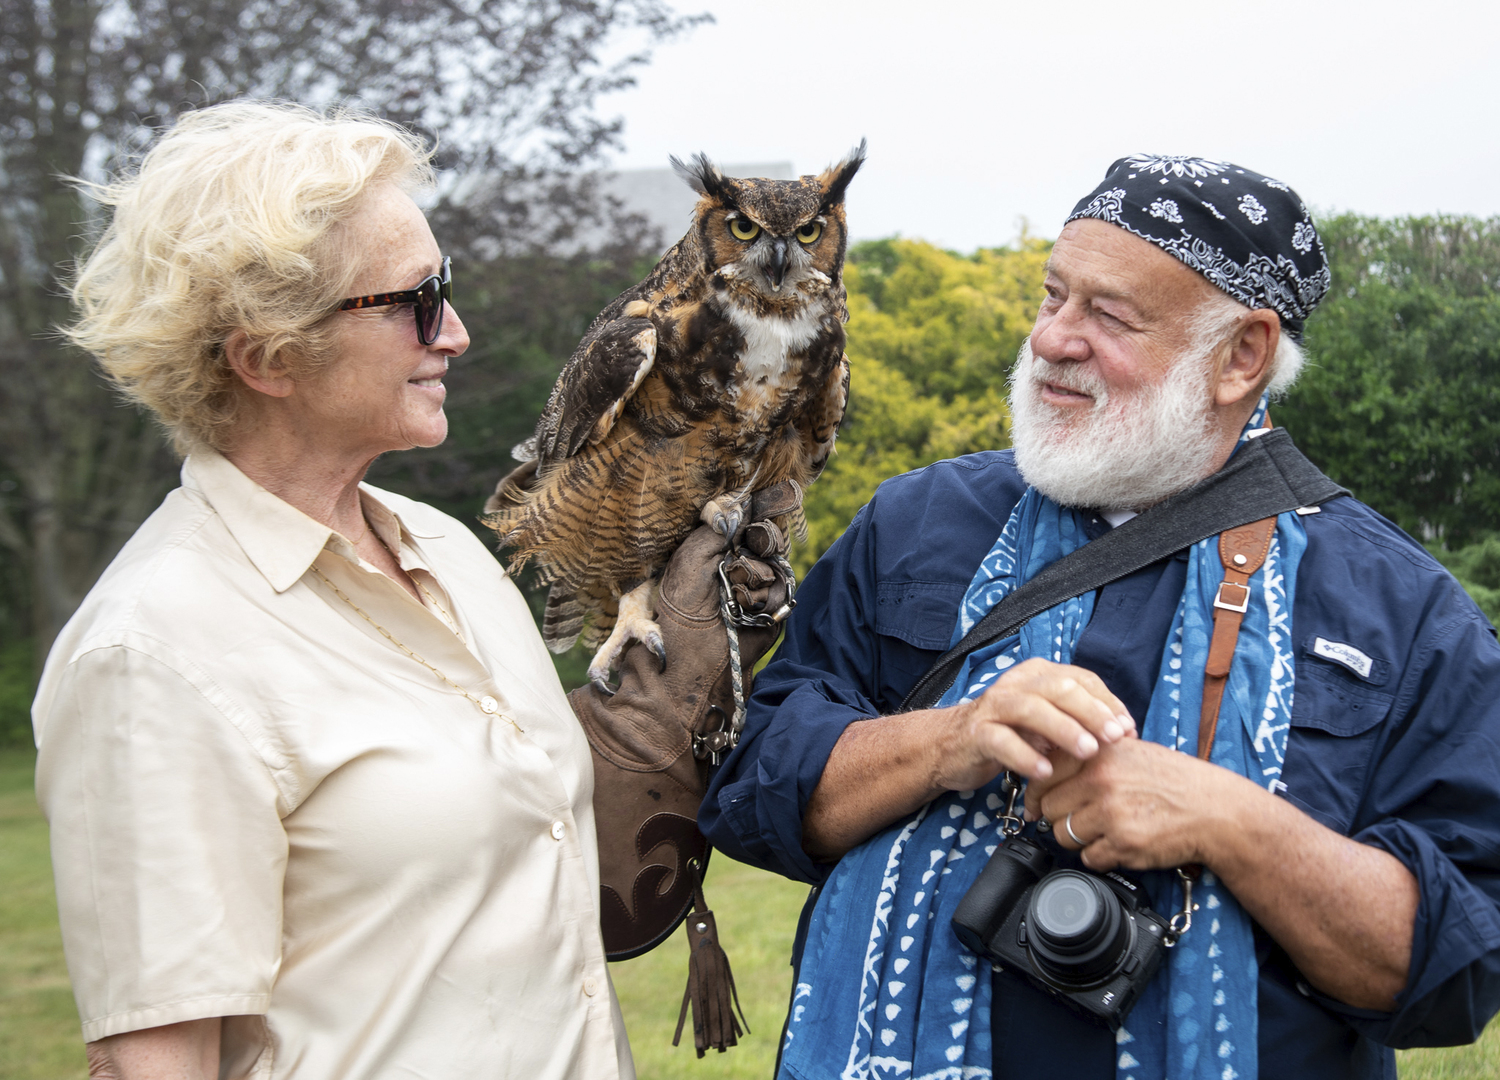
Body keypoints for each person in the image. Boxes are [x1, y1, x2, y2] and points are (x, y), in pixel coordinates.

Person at [701, 155, 1500, 1080]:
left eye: (1108, 315)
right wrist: (951, 739)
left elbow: (1457, 968)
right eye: (1053, 296)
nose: (1051, 340)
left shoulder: (1405, 611)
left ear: (1241, 356)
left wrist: (1231, 822)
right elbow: (754, 786)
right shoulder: (917, 523)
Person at [33, 100, 777, 1080]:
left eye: (448, 287)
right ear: (265, 355)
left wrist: (676, 686)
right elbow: (155, 1064)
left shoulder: (446, 550)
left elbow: (528, 854)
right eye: (417, 301)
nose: (456, 333)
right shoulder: (153, 657)